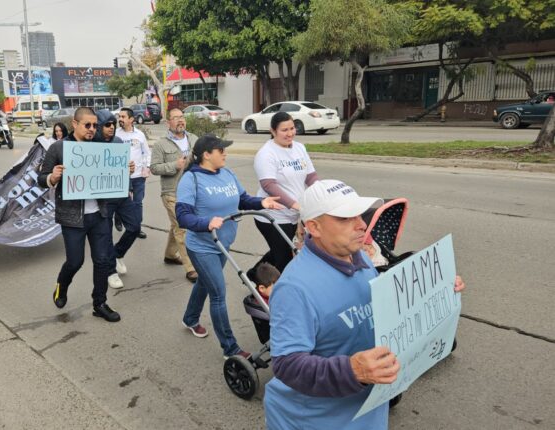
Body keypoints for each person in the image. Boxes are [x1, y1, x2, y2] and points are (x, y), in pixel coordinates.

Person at [264, 179, 466, 430]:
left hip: (368, 407)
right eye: (345, 218)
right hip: (314, 419)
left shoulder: (360, 257)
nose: (361, 225)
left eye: (359, 215)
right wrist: (351, 370)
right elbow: (287, 365)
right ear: (314, 227)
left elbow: (376, 307)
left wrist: (435, 289)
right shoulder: (294, 289)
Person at [176, 134, 284, 358]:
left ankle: (189, 319)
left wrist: (262, 202)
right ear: (207, 155)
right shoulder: (191, 180)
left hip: (223, 243)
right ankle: (230, 348)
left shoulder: (227, 173)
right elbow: (183, 216)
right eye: (221, 150)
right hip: (203, 246)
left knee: (206, 284)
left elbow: (242, 199)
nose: (225, 153)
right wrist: (206, 222)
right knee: (218, 293)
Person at [36, 107, 123, 323]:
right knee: (75, 261)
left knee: (102, 261)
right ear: (75, 124)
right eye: (88, 125)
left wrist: (123, 170)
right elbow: (41, 177)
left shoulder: (103, 148)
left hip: (100, 215)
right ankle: (62, 284)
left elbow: (112, 176)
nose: (93, 129)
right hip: (72, 217)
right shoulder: (59, 148)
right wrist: (52, 177)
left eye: (95, 125)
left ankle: (99, 303)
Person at [247, 111, 319, 284]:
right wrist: (294, 204)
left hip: (295, 214)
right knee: (284, 258)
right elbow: (269, 185)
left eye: (292, 128)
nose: (290, 133)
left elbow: (310, 177)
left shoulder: (299, 148)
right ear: (273, 131)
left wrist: (322, 191)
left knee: (278, 250)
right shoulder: (267, 154)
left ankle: (252, 275)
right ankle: (281, 292)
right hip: (273, 216)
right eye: (284, 130)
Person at [149, 108, 198, 282]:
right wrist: (173, 165)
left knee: (175, 224)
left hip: (191, 191)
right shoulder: (161, 144)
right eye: (175, 118)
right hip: (171, 192)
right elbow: (154, 168)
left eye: (182, 117)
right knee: (182, 227)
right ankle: (191, 268)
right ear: (168, 122)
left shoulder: (193, 139)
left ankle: (170, 255)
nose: (180, 120)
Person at [94, 109, 136, 290]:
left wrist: (129, 185)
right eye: (107, 125)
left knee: (135, 227)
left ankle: (118, 253)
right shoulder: (90, 145)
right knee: (105, 235)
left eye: (113, 124)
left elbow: (125, 168)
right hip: (102, 199)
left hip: (121, 194)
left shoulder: (118, 142)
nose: (111, 128)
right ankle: (111, 271)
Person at [116, 107, 150, 240]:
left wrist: (147, 167)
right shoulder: (116, 134)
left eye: (123, 117)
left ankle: (137, 228)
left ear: (131, 119)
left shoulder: (140, 135)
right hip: (121, 176)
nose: (120, 119)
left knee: (137, 202)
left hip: (138, 176)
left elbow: (147, 153)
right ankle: (117, 218)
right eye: (119, 116)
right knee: (120, 201)